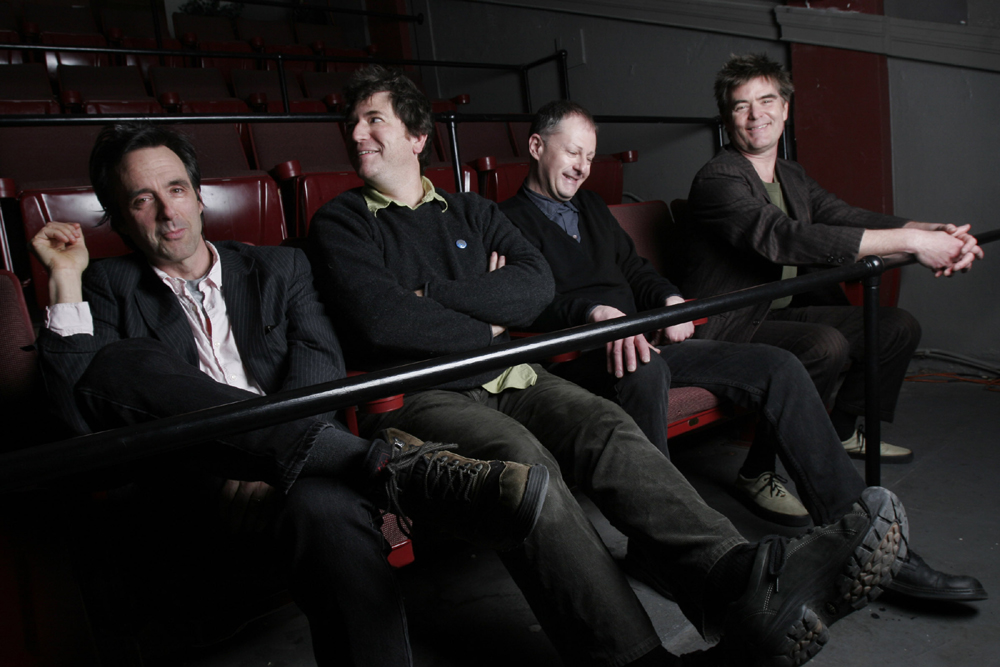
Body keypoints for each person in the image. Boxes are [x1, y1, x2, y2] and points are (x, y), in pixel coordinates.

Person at [308, 64, 910, 667]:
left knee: (607, 428)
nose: (357, 133)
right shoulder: (341, 223)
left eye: (373, 120)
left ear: (417, 137)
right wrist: (484, 318)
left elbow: (532, 286)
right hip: (423, 392)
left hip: (515, 374)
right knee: (527, 466)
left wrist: (430, 297)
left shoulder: (470, 209)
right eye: (353, 123)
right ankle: (634, 658)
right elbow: (381, 322)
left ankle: (739, 578)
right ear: (538, 148)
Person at [30, 122, 551, 667]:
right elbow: (77, 427)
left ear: (200, 196)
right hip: (196, 483)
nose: (167, 211)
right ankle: (397, 469)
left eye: (177, 189)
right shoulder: (105, 288)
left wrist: (269, 463)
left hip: (304, 474)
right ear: (119, 219)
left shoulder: (280, 268)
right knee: (122, 363)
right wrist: (64, 281)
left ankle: (381, 471)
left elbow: (320, 378)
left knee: (326, 510)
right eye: (142, 199)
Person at [499, 100, 987, 605]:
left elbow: (636, 270)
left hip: (645, 340)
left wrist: (670, 301)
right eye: (573, 153)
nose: (582, 166)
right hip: (581, 356)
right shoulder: (503, 221)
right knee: (644, 373)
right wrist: (594, 313)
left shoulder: (592, 208)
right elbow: (526, 300)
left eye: (589, 156)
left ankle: (861, 533)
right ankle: (660, 552)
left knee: (780, 366)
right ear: (536, 146)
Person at [685, 53, 983, 468]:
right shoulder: (718, 178)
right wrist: (914, 242)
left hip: (787, 310)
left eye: (767, 101)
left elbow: (845, 216)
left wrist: (934, 231)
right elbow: (783, 238)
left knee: (895, 327)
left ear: (785, 108)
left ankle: (841, 431)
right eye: (741, 106)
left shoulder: (791, 175)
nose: (756, 115)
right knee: (825, 345)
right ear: (726, 118)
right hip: (735, 322)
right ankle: (758, 470)